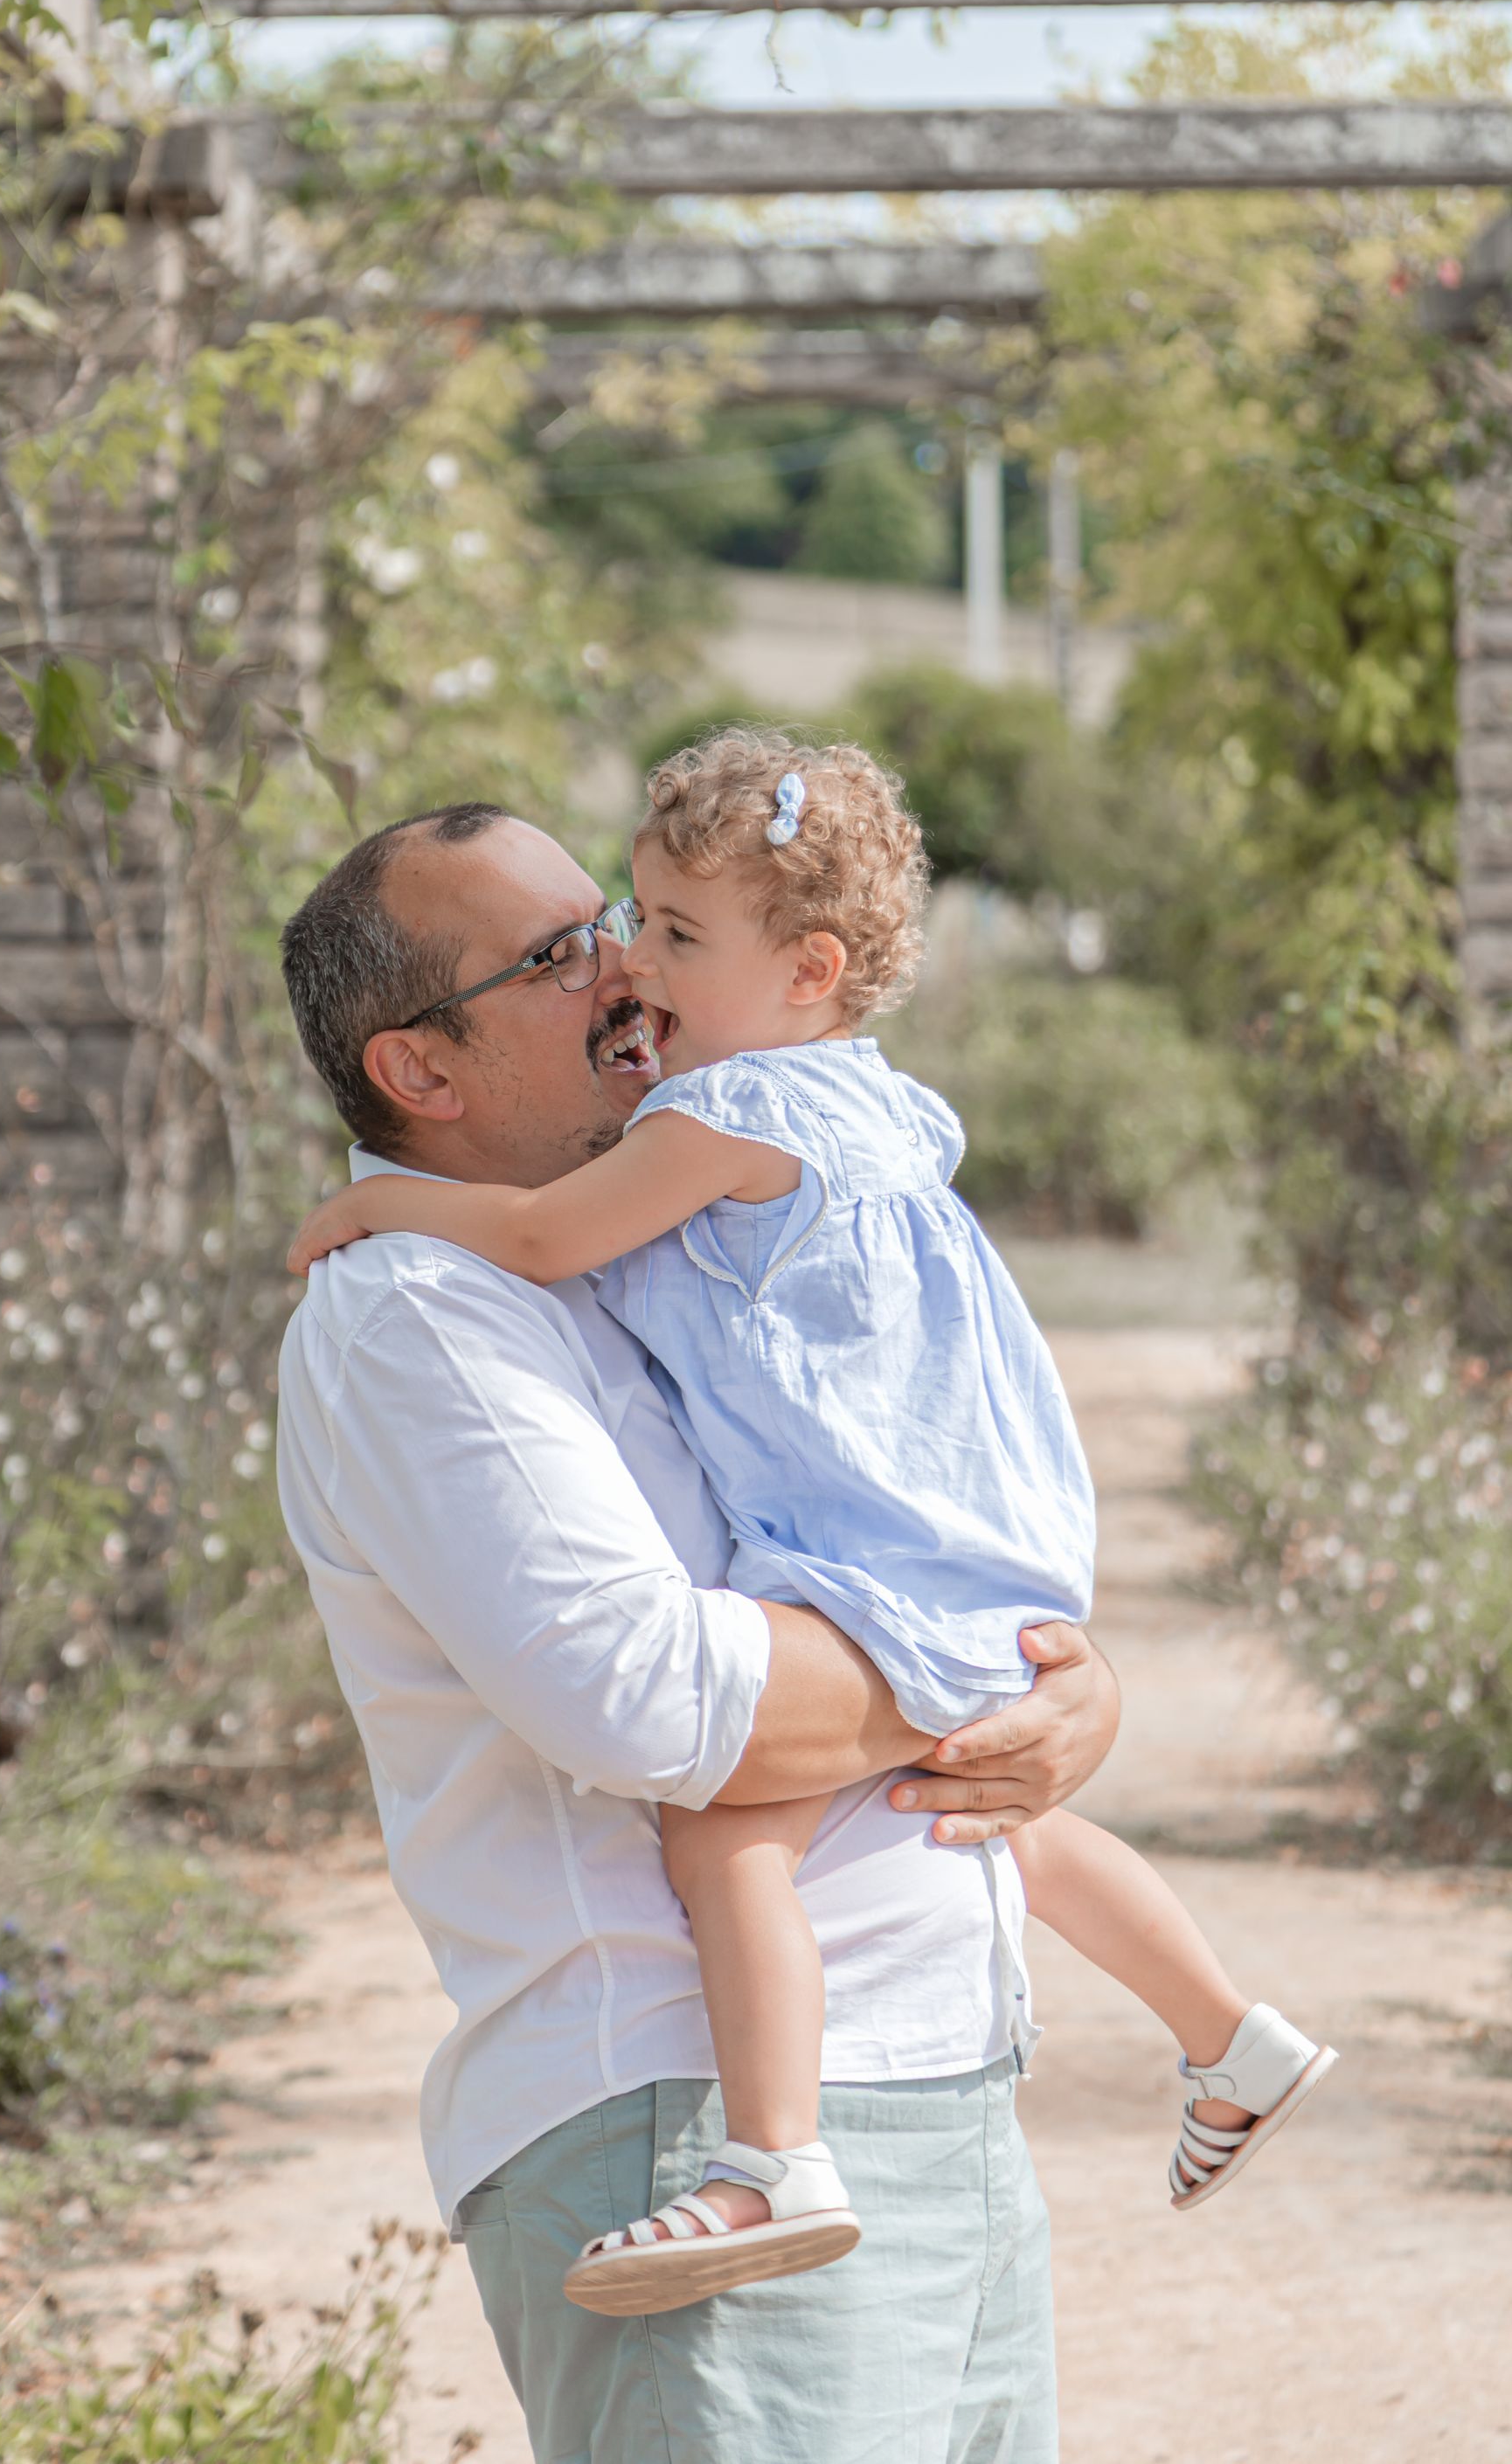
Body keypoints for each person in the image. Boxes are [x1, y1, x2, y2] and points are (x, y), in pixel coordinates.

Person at [288, 733, 1337, 2324]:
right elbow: (648, 1701)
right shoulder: (417, 1309)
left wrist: (1049, 1687)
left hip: (943, 2079)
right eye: (564, 951)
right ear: (419, 1070)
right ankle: (790, 2150)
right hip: (664, 2107)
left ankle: (1201, 2045)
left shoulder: (683, 1184)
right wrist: (970, 1682)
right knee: (734, 1831)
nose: (622, 970)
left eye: (634, 928)